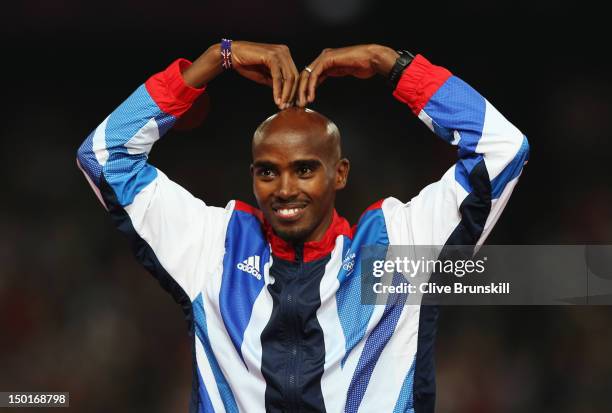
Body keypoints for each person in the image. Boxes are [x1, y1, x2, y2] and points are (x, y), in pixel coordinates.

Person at [76, 40, 529, 412]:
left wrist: (389, 64)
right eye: (268, 171)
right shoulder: (214, 247)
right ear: (252, 175)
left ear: (341, 173)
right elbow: (104, 155)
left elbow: (502, 149)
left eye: (306, 169)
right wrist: (217, 59)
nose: (285, 188)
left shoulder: (394, 250)